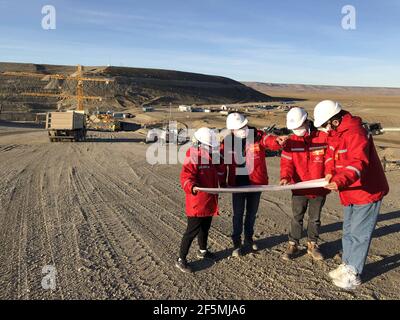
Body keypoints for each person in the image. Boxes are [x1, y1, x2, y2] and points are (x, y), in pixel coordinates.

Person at [313, 100, 389, 290]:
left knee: (359, 234)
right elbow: (331, 155)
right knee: (348, 231)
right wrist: (330, 172)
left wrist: (339, 180)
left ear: (334, 121)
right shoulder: (335, 134)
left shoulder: (356, 133)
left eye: (325, 125)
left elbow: (358, 163)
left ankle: (354, 273)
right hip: (350, 191)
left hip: (366, 191)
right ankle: (346, 264)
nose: (324, 129)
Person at [222, 113, 287, 257]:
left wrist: (277, 141)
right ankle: (236, 241)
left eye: (244, 126)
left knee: (251, 214)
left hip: (256, 183)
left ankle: (248, 239)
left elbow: (269, 141)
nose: (242, 129)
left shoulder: (258, 136)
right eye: (238, 128)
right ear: (232, 130)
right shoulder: (228, 141)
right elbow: (220, 159)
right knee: (238, 214)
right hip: (237, 184)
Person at [280, 107, 330, 261]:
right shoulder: (291, 142)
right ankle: (293, 244)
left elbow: (330, 160)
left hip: (319, 187)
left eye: (299, 127)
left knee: (315, 218)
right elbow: (287, 163)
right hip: (299, 188)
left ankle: (312, 244)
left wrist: (330, 175)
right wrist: (285, 177)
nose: (297, 131)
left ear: (307, 122)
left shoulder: (323, 137)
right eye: (294, 128)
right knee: (297, 217)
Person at [177, 127, 226, 273]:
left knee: (205, 228)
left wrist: (223, 181)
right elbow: (186, 176)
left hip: (209, 200)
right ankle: (181, 259)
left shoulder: (212, 156)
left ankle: (203, 251)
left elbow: (220, 170)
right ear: (200, 144)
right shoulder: (192, 156)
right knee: (191, 231)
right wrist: (191, 186)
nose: (211, 149)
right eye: (208, 146)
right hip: (197, 202)